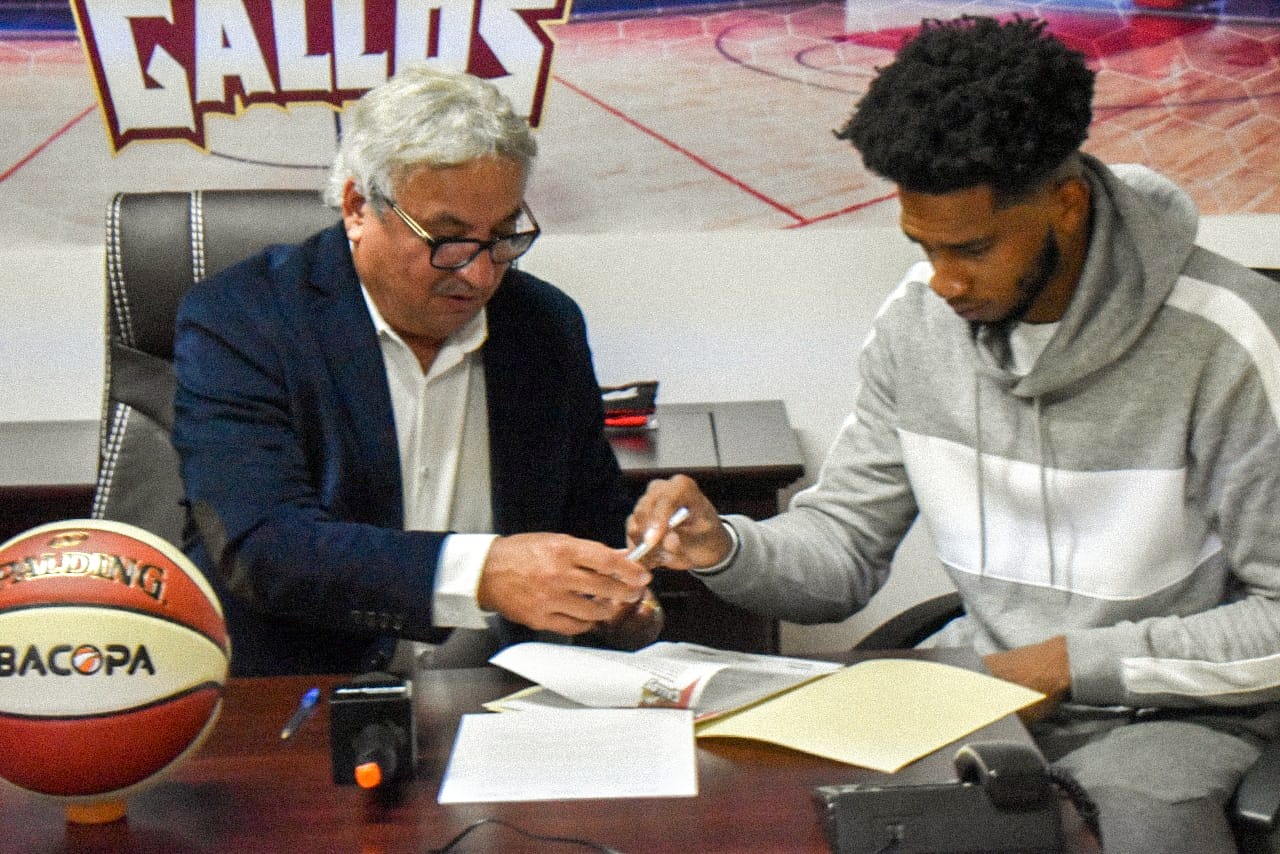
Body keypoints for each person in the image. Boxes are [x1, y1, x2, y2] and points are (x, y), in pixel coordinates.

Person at [627, 16, 1280, 853]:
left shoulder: (1231, 340)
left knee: (1132, 820)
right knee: (775, 807)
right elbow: (843, 550)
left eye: (971, 248)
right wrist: (726, 548)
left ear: (1066, 204)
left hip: (1174, 711)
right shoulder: (917, 323)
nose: (944, 281)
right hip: (987, 696)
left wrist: (1064, 663)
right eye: (922, 245)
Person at [172, 66, 657, 677]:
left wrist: (624, 594)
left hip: (504, 692)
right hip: (305, 693)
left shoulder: (543, 325)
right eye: (447, 239)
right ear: (357, 207)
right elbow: (265, 546)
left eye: (503, 236)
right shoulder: (243, 318)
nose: (478, 274)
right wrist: (482, 574)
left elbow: (589, 521)